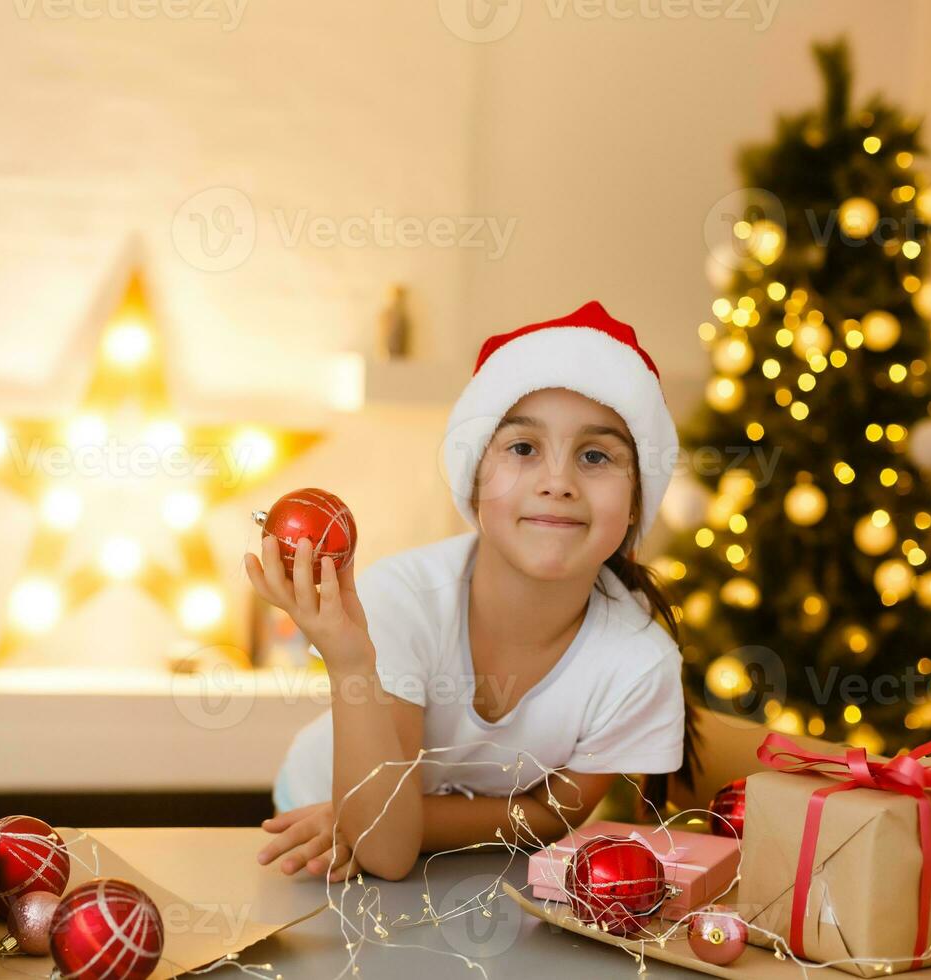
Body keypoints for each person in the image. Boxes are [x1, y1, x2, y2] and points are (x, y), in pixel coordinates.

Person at [245, 300, 698, 883]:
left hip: (461, 861)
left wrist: (385, 818)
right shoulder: (400, 600)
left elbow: (547, 815)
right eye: (523, 448)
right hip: (313, 841)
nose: (557, 483)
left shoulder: (639, 663)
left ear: (637, 501)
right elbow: (383, 854)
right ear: (474, 478)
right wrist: (351, 661)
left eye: (594, 456)